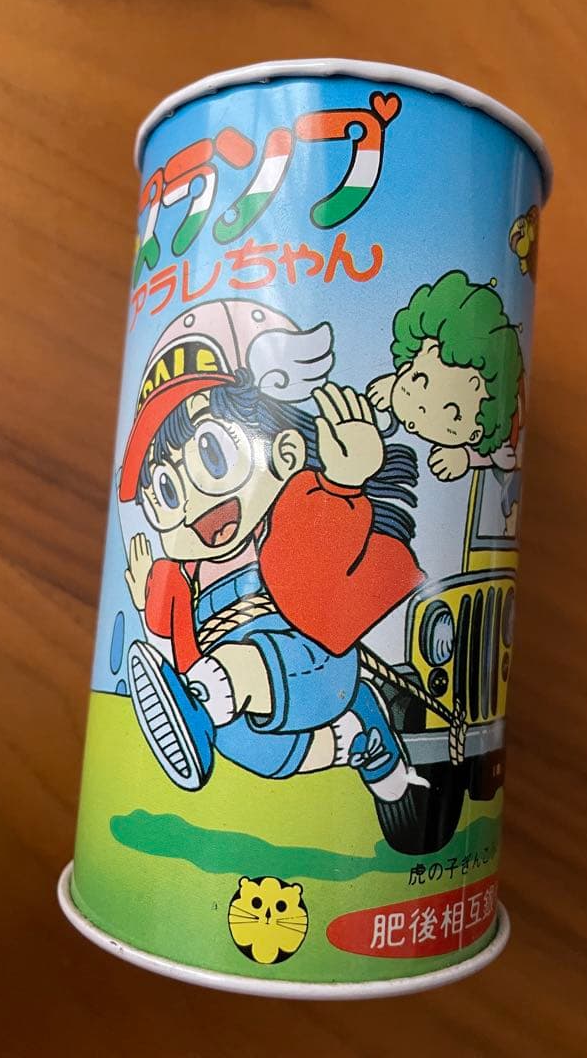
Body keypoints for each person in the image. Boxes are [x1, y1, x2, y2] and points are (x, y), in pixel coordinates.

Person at [118, 298, 427, 802]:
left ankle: (200, 698)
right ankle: (361, 739)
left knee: (243, 668)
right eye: (167, 492)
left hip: (308, 651)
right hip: (244, 699)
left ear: (283, 455)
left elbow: (326, 553)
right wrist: (146, 593)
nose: (193, 502)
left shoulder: (285, 525)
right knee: (251, 748)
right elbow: (165, 621)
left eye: (212, 455)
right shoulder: (186, 573)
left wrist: (344, 482)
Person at [367, 271, 525, 482]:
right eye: (418, 379)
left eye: (454, 413)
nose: (422, 411)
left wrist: (467, 457)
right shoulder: (418, 348)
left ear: (475, 433)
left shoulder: (498, 430)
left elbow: (500, 451)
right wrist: (399, 386)